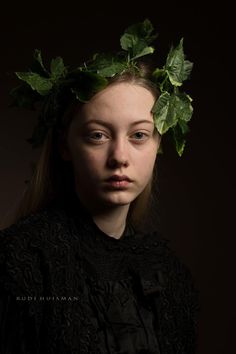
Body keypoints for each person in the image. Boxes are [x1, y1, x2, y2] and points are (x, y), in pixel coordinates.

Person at [0, 19, 200, 354]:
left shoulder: (171, 273)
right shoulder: (20, 262)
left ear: (158, 144)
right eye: (98, 135)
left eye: (139, 135)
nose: (119, 156)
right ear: (66, 146)